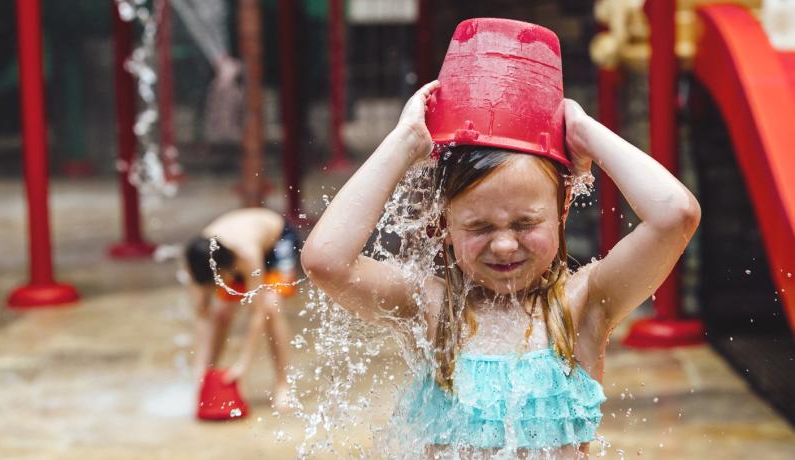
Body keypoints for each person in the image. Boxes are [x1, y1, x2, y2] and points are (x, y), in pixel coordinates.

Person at [300, 81, 700, 456]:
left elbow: (675, 216)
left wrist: (583, 131)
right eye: (479, 227)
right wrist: (404, 144)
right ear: (445, 227)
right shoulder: (432, 307)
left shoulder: (582, 303)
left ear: (560, 214)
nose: (505, 244)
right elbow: (326, 261)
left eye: (525, 224)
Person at [185, 208, 298, 414]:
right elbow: (203, 314)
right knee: (221, 313)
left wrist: (242, 364)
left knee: (271, 307)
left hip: (276, 241)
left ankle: (283, 384)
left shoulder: (247, 254)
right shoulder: (198, 261)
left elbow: (258, 313)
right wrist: (199, 369)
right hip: (230, 256)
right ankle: (207, 376)